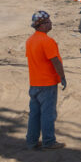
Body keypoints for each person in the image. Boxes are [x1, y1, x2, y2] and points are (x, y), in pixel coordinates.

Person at [25, 11, 66, 150]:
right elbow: (55, 61)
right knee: (48, 115)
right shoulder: (47, 41)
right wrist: (62, 77)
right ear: (41, 25)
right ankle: (49, 141)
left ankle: (31, 141)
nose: (50, 23)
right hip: (47, 84)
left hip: (34, 83)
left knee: (34, 115)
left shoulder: (30, 40)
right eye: (48, 21)